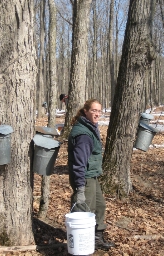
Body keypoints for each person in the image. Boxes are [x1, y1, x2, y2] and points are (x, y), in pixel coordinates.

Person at [67, 99, 116, 251]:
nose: (97, 114)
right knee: (84, 210)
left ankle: (96, 238)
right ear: (86, 111)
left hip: (91, 176)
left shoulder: (89, 128)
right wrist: (80, 188)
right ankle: (80, 244)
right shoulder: (83, 134)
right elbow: (79, 163)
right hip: (84, 178)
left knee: (99, 206)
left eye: (99, 111)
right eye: (94, 110)